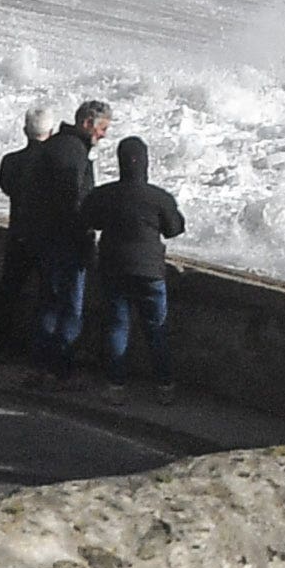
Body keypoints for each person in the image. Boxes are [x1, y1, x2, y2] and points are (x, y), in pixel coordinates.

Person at [77, 135, 184, 393]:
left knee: (117, 325)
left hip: (113, 268)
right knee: (156, 329)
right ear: (146, 164)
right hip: (151, 272)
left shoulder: (105, 194)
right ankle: (165, 386)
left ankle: (116, 386)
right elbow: (174, 229)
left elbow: (88, 219)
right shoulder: (160, 198)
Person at [25, 101, 114, 375]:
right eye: (103, 128)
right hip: (66, 243)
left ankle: (41, 367)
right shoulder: (73, 153)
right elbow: (73, 202)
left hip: (45, 238)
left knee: (49, 303)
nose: (104, 135)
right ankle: (58, 369)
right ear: (87, 123)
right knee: (68, 309)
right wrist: (86, 237)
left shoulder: (58, 146)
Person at [0, 105, 61, 365]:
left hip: (18, 234)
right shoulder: (55, 165)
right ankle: (41, 356)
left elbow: (7, 188)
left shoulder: (11, 161)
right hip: (47, 238)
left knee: (7, 294)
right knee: (48, 298)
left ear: (25, 129)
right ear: (50, 131)